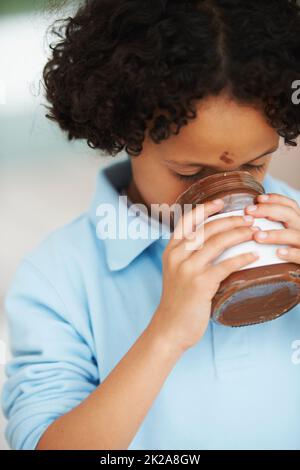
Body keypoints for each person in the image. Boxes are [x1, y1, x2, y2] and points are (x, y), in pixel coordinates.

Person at [2, 0, 300, 450]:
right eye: (190, 173)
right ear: (123, 127)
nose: (222, 195)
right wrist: (166, 334)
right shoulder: (61, 277)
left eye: (254, 166)